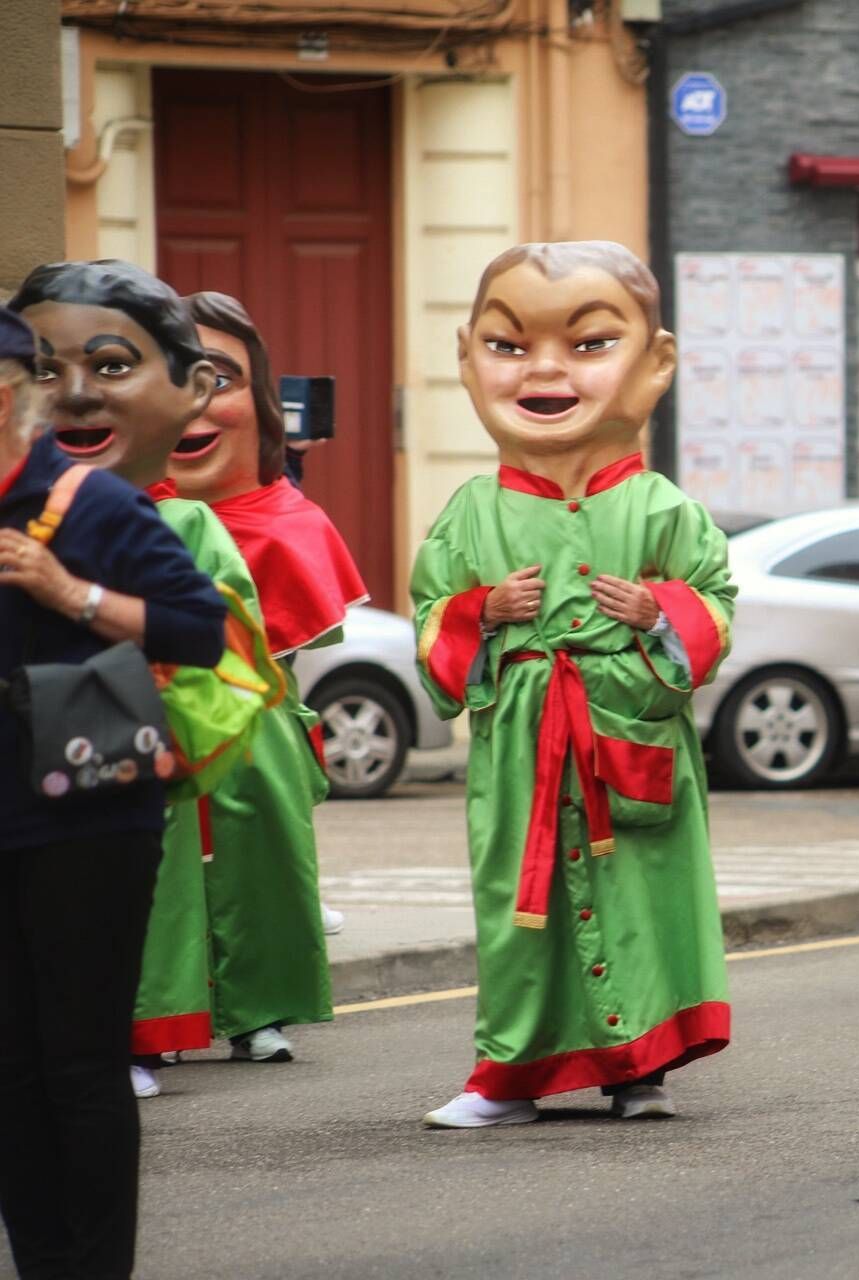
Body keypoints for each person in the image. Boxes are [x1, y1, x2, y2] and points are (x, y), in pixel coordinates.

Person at [411, 241, 734, 1128]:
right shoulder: (471, 513)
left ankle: (641, 1066)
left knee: (641, 895)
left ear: (654, 363)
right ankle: (510, 1074)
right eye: (509, 345)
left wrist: (655, 612)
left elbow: (714, 604)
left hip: (628, 727)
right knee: (519, 903)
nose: (545, 370)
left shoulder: (665, 508)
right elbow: (433, 614)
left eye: (589, 344)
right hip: (523, 738)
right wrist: (486, 611)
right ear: (467, 358)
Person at [0, 300, 227, 1279]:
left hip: (87, 816)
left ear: (20, 399)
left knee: (79, 1060)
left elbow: (197, 629)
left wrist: (66, 591)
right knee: (7, 1070)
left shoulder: (93, 505)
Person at [132, 290, 354, 1080]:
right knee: (148, 880)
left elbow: (308, 638)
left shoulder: (290, 520)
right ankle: (149, 1023)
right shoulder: (107, 512)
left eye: (216, 377)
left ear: (257, 399)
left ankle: (262, 1012)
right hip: (141, 722)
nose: (194, 402)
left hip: (255, 735)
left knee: (262, 871)